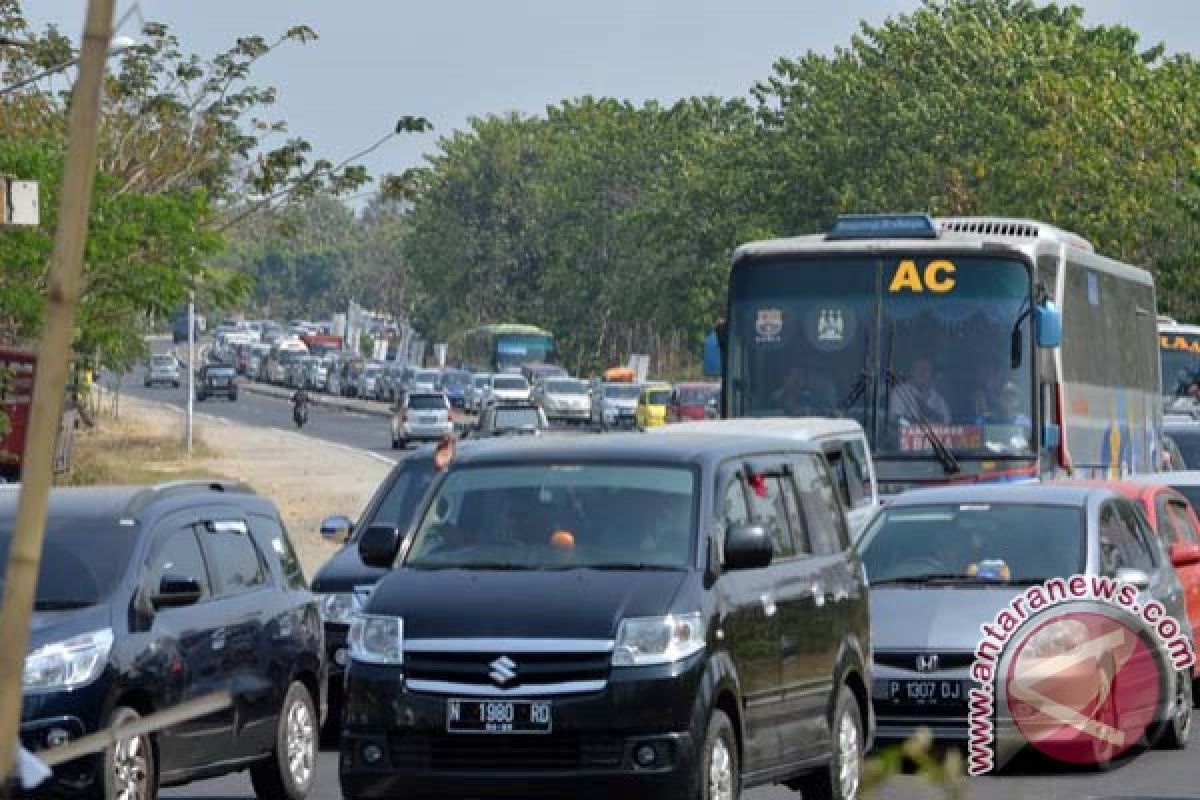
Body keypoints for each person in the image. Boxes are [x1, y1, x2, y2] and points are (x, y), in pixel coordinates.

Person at [888, 356, 950, 425]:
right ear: (911, 372)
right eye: (918, 368)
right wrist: (917, 423)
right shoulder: (900, 392)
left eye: (926, 369)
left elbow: (947, 425)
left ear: (933, 374)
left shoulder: (940, 400)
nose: (922, 372)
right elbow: (896, 419)